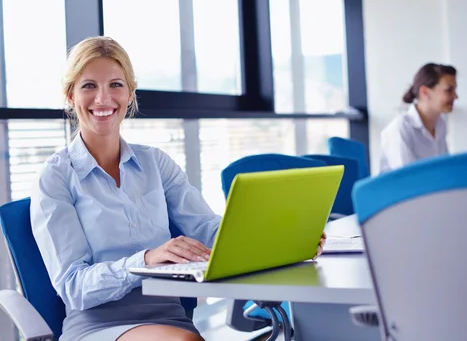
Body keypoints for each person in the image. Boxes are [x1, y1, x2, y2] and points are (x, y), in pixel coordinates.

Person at [30, 36, 326, 341]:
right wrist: (145, 259)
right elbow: (73, 287)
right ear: (70, 95)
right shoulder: (55, 177)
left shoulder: (155, 162)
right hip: (98, 327)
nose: (104, 99)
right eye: (89, 86)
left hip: (172, 318)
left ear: (130, 94)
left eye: (116, 85)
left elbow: (209, 230)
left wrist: (282, 240)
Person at [379, 63, 458, 174]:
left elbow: (444, 169)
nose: (455, 96)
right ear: (425, 92)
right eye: (449, 90)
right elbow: (408, 179)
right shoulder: (400, 128)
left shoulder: (440, 124)